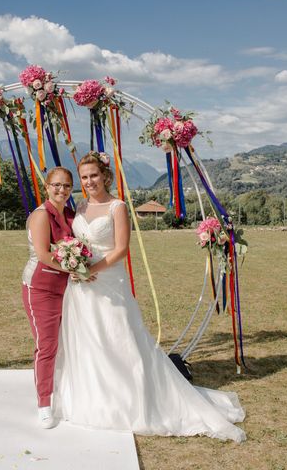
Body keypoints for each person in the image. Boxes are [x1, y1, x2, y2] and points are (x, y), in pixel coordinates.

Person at [53, 152, 246, 442]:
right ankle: (95, 396)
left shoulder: (117, 207)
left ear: (105, 176)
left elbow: (120, 249)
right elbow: (75, 242)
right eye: (84, 177)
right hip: (81, 284)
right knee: (87, 338)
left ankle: (131, 398)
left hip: (108, 280)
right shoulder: (79, 206)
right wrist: (75, 266)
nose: (89, 181)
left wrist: (90, 268)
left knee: (119, 336)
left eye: (93, 175)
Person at [21, 167, 75, 428]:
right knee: (47, 346)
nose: (61, 190)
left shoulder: (71, 214)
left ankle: (67, 391)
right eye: (56, 185)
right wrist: (77, 270)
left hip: (68, 289)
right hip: (40, 289)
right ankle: (44, 402)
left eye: (66, 186)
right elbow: (43, 254)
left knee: (68, 343)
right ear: (46, 187)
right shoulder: (42, 215)